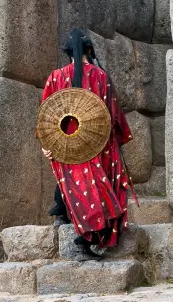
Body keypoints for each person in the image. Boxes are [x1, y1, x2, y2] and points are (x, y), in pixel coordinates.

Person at [41, 29, 134, 259]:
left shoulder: (55, 77)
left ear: (68, 54)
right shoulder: (101, 77)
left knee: (73, 180)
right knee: (95, 189)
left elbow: (46, 115)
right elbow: (111, 115)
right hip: (96, 144)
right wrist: (118, 138)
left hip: (65, 143)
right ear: (89, 51)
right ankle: (84, 239)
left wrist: (47, 142)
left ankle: (61, 211)